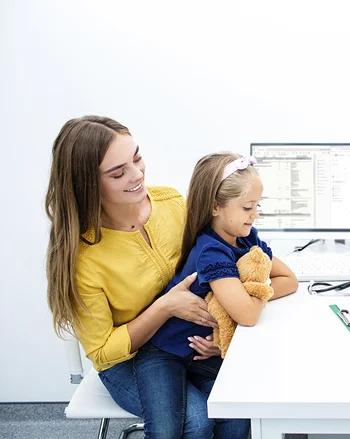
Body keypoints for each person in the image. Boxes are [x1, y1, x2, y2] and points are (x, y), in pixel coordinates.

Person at [45, 116, 245, 438]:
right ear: (88, 184)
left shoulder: (172, 203)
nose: (137, 175)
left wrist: (219, 337)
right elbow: (103, 352)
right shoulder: (82, 257)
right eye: (118, 172)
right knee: (197, 421)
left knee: (238, 411)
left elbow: (217, 268)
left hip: (186, 340)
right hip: (129, 361)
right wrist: (165, 307)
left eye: (136, 157)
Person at [135, 152, 298, 437]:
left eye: (257, 205)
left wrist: (246, 292)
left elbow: (289, 280)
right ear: (215, 208)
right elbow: (247, 315)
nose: (255, 214)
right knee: (166, 431)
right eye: (247, 207)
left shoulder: (248, 238)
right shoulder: (212, 252)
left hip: (205, 351)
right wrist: (253, 291)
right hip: (163, 353)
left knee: (238, 416)